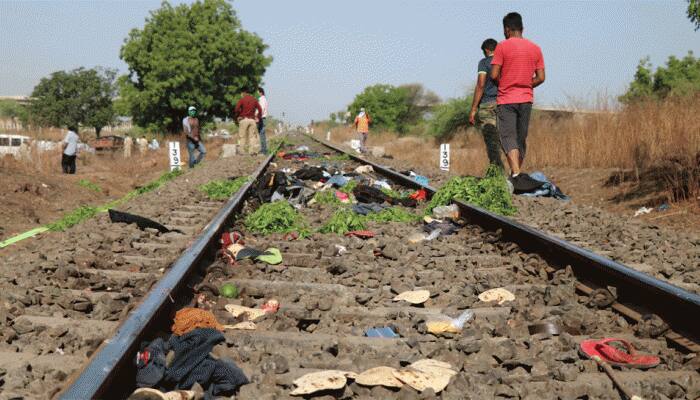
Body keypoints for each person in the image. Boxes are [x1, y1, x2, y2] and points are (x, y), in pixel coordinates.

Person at [490, 12, 545, 184]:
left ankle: (516, 174)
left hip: (507, 99)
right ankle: (516, 174)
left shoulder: (502, 47)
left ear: (507, 29)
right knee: (521, 138)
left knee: (508, 136)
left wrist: (505, 83)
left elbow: (494, 74)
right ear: (522, 28)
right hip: (526, 99)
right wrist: (526, 84)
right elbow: (541, 77)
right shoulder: (535, 48)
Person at [469, 38, 504, 169]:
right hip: (504, 104)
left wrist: (473, 109)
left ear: (486, 50)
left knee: (491, 141)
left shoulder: (484, 63)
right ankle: (513, 173)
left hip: (487, 104)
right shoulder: (504, 62)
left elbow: (481, 84)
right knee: (505, 139)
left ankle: (497, 172)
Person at [234, 89, 263, 155]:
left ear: (243, 93)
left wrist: (238, 115)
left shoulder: (242, 99)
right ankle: (251, 151)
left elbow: (236, 109)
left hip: (244, 119)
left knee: (242, 136)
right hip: (252, 120)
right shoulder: (254, 100)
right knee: (252, 137)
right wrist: (258, 117)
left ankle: (242, 152)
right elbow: (260, 109)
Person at [257, 87, 269, 154]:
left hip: (261, 117)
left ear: (260, 92)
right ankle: (263, 149)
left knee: (262, 134)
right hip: (262, 117)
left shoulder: (262, 99)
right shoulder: (264, 99)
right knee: (262, 134)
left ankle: (263, 150)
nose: (257, 93)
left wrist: (258, 116)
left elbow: (261, 109)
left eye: (258, 92)